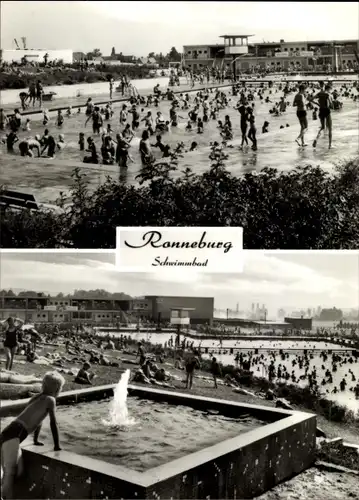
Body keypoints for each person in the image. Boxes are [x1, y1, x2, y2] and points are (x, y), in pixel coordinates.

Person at [0, 371, 64, 499]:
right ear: (58, 389)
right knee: (10, 474)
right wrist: (57, 445)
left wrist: (35, 439)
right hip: (14, 435)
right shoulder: (51, 400)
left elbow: (37, 422)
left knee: (19, 472)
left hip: (8, 432)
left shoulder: (36, 398)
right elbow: (53, 423)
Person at [312, 84, 333, 149]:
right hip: (327, 110)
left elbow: (311, 99)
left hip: (321, 110)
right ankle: (330, 145)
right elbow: (331, 104)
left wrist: (317, 104)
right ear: (328, 89)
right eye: (330, 89)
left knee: (322, 127)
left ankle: (316, 139)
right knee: (330, 128)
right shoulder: (328, 94)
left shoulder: (319, 93)